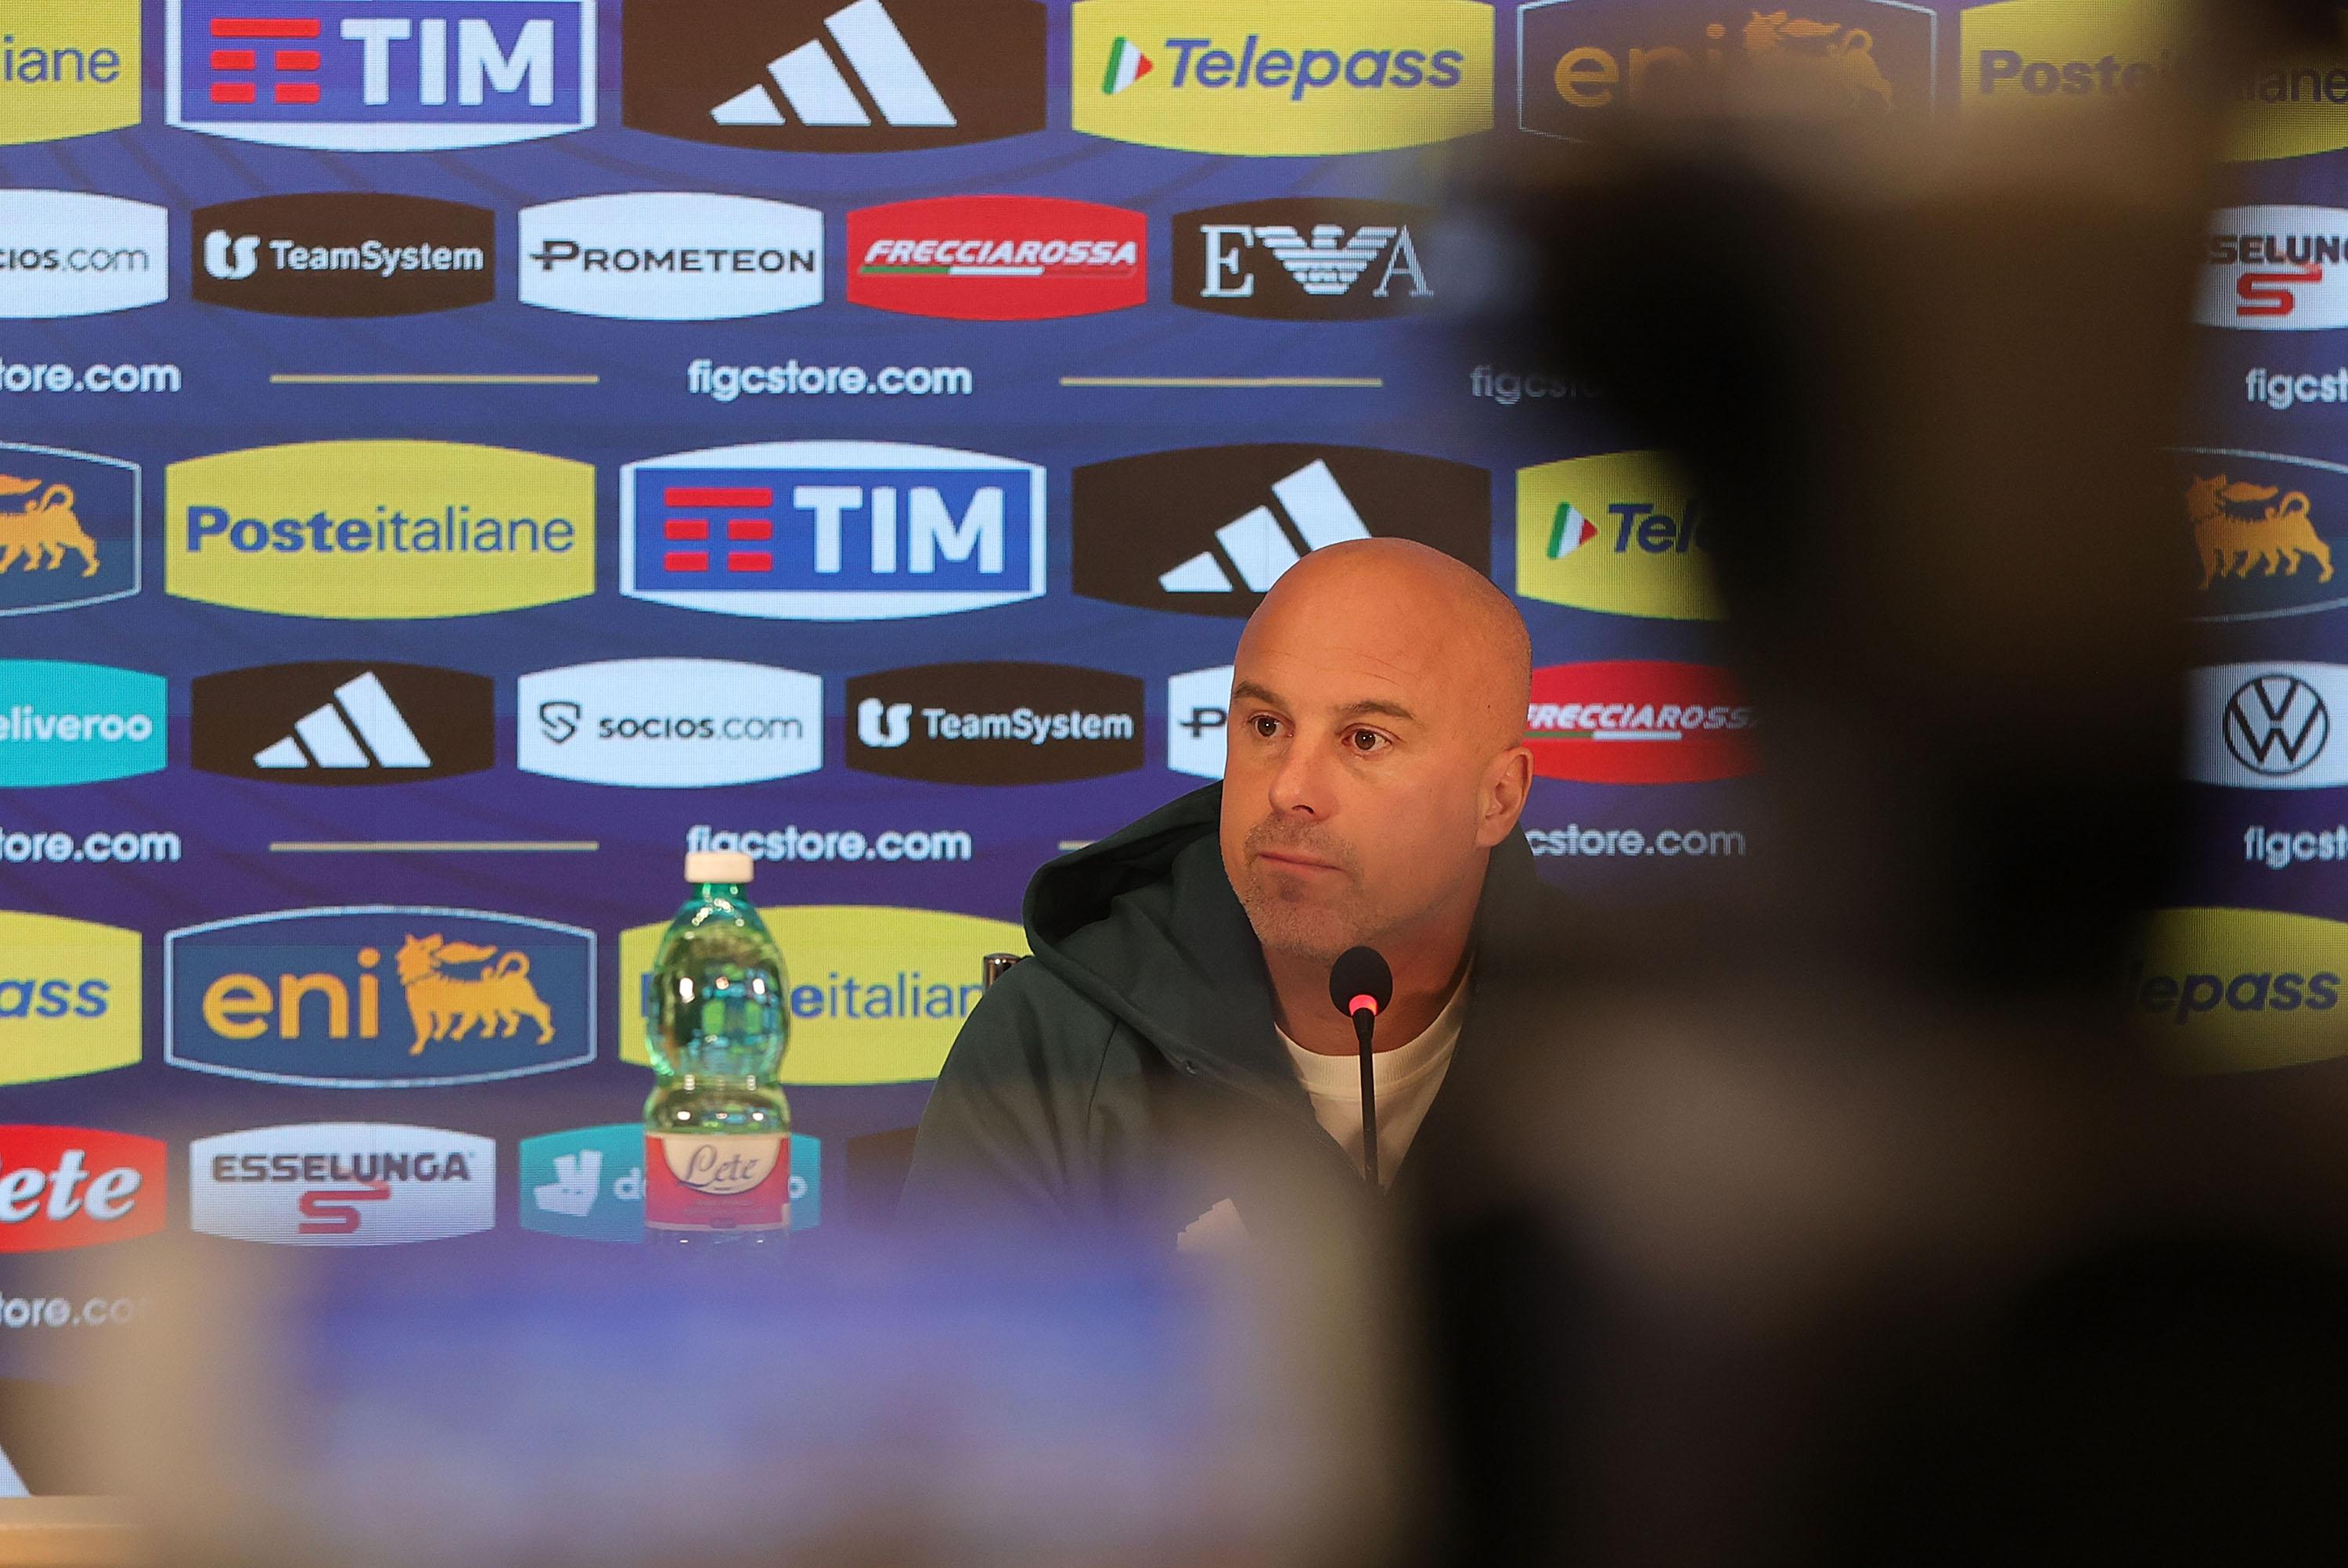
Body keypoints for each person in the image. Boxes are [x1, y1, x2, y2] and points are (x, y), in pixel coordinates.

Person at [899, 538, 1547, 1241]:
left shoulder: (1623, 1047)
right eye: (1266, 726)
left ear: (1498, 799)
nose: (1289, 788)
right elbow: (950, 1351)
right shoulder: (1054, 1044)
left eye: (1365, 740)